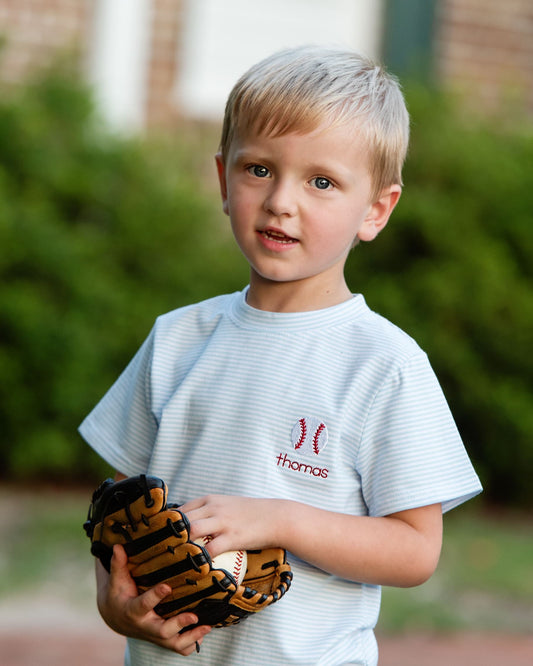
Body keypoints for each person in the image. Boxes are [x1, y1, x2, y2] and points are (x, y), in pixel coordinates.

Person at [79, 45, 482, 665]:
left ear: (375, 209)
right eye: (259, 169)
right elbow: (117, 512)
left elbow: (415, 551)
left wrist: (280, 520)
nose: (281, 201)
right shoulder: (178, 337)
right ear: (222, 178)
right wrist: (114, 604)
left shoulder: (383, 363)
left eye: (321, 181)